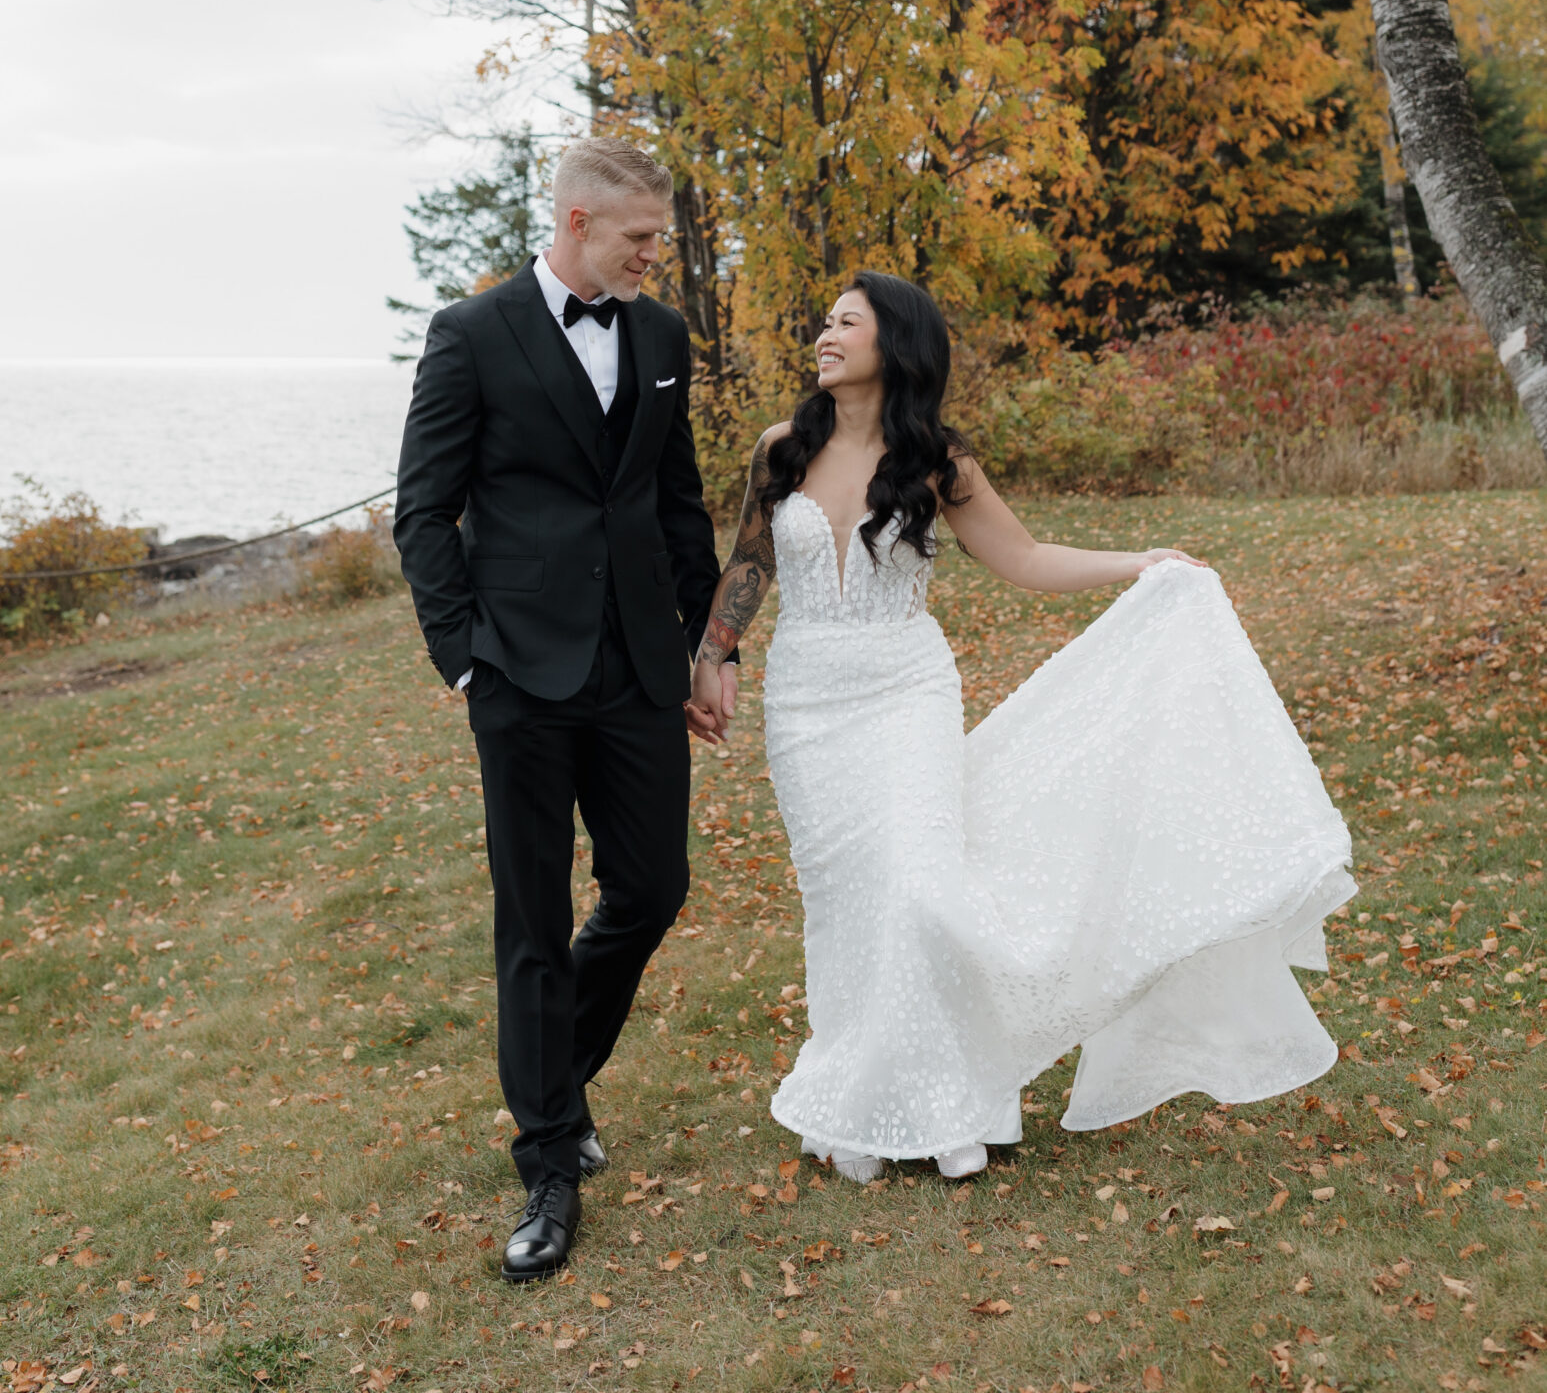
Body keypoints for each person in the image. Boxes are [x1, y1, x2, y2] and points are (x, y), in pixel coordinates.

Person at [688, 271, 1354, 1182]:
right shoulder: (781, 448)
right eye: (825, 323)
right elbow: (749, 560)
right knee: (846, 905)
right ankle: (859, 1099)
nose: (823, 336)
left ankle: (950, 1100)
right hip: (806, 705)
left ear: (897, 344)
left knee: (921, 888)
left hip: (904, 693)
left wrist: (1140, 562)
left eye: (846, 323)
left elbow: (1025, 556)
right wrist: (715, 652)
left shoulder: (935, 458)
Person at [395, 139, 728, 1280]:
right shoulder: (469, 334)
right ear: (579, 221)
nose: (656, 256)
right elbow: (424, 514)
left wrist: (698, 646)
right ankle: (548, 1153)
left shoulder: (663, 336)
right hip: (519, 676)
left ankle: (553, 1078)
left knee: (651, 887)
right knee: (532, 919)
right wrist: (464, 661)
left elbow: (673, 498)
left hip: (639, 666)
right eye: (641, 238)